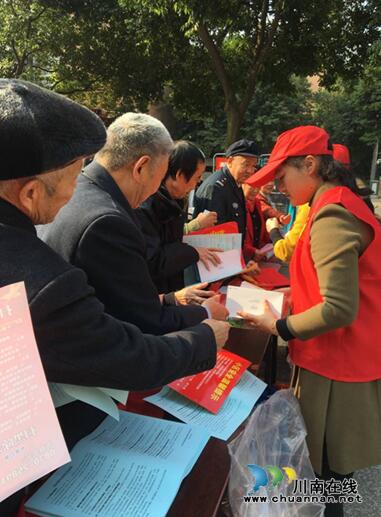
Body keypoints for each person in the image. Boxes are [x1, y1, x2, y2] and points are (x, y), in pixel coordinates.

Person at [0, 80, 229, 516]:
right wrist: (206, 338)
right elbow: (124, 352)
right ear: (30, 192)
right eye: (70, 179)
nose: (72, 195)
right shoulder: (40, 273)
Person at [242, 125, 381, 517]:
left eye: (282, 177)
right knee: (329, 476)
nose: (279, 187)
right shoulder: (331, 204)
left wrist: (280, 327)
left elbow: (338, 307)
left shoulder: (332, 214)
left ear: (310, 164)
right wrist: (290, 297)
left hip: (337, 364)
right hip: (337, 357)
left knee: (327, 477)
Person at [39, 118, 227, 334]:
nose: (158, 186)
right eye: (161, 175)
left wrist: (169, 299)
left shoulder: (77, 189)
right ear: (141, 167)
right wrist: (207, 313)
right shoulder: (109, 221)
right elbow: (144, 320)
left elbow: (112, 297)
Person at [136, 140, 222, 293]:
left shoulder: (173, 200)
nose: (197, 185)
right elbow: (153, 260)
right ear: (179, 175)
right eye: (197, 178)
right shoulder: (146, 204)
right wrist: (193, 252)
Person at [193, 139, 259, 236]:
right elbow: (213, 232)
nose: (250, 171)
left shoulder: (235, 182)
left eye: (253, 166)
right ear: (230, 161)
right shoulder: (216, 188)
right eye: (246, 165)